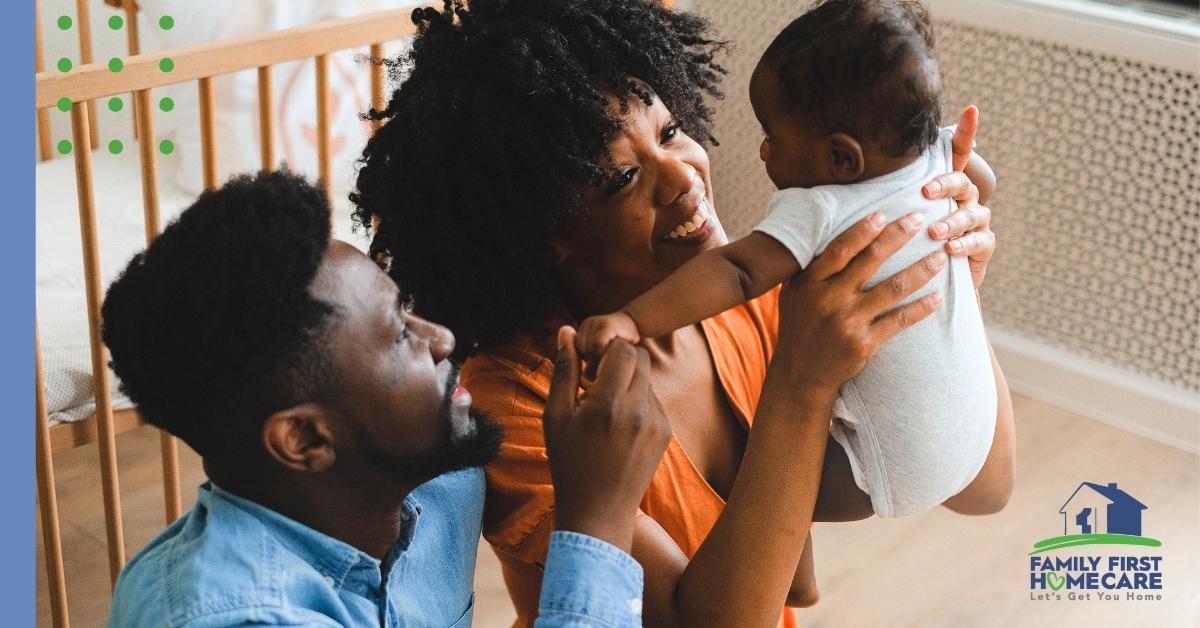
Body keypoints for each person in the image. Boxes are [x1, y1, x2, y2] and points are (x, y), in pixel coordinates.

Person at [351, 1, 1012, 625]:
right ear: (541, 232)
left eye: (671, 132)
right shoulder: (526, 406)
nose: (683, 174)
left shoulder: (743, 305)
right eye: (622, 179)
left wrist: (951, 289)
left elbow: (981, 490)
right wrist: (802, 383)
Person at [101, 169, 673, 627]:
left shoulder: (437, 486)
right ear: (304, 439)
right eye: (401, 334)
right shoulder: (240, 615)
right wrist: (597, 517)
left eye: (409, 308)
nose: (442, 339)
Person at [578, 0, 1004, 521]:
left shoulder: (822, 204)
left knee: (757, 488)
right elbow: (981, 181)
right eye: (624, 175)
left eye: (772, 137)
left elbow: (738, 271)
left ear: (842, 160)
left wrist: (629, 321)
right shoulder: (936, 156)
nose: (762, 152)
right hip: (972, 428)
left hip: (883, 469)